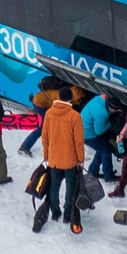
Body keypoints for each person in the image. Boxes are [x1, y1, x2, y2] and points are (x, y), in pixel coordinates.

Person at [33, 89, 86, 235]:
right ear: (70, 99)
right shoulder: (74, 116)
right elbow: (78, 141)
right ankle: (68, 214)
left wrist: (46, 155)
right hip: (70, 161)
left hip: (54, 160)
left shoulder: (49, 113)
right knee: (70, 188)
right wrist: (81, 159)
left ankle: (55, 212)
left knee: (54, 186)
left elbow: (45, 137)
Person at [83, 91, 118, 181]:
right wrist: (110, 123)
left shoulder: (101, 99)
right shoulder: (102, 113)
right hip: (87, 134)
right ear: (111, 108)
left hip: (82, 127)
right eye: (116, 110)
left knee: (101, 148)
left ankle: (93, 172)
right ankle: (108, 176)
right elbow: (99, 131)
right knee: (106, 150)